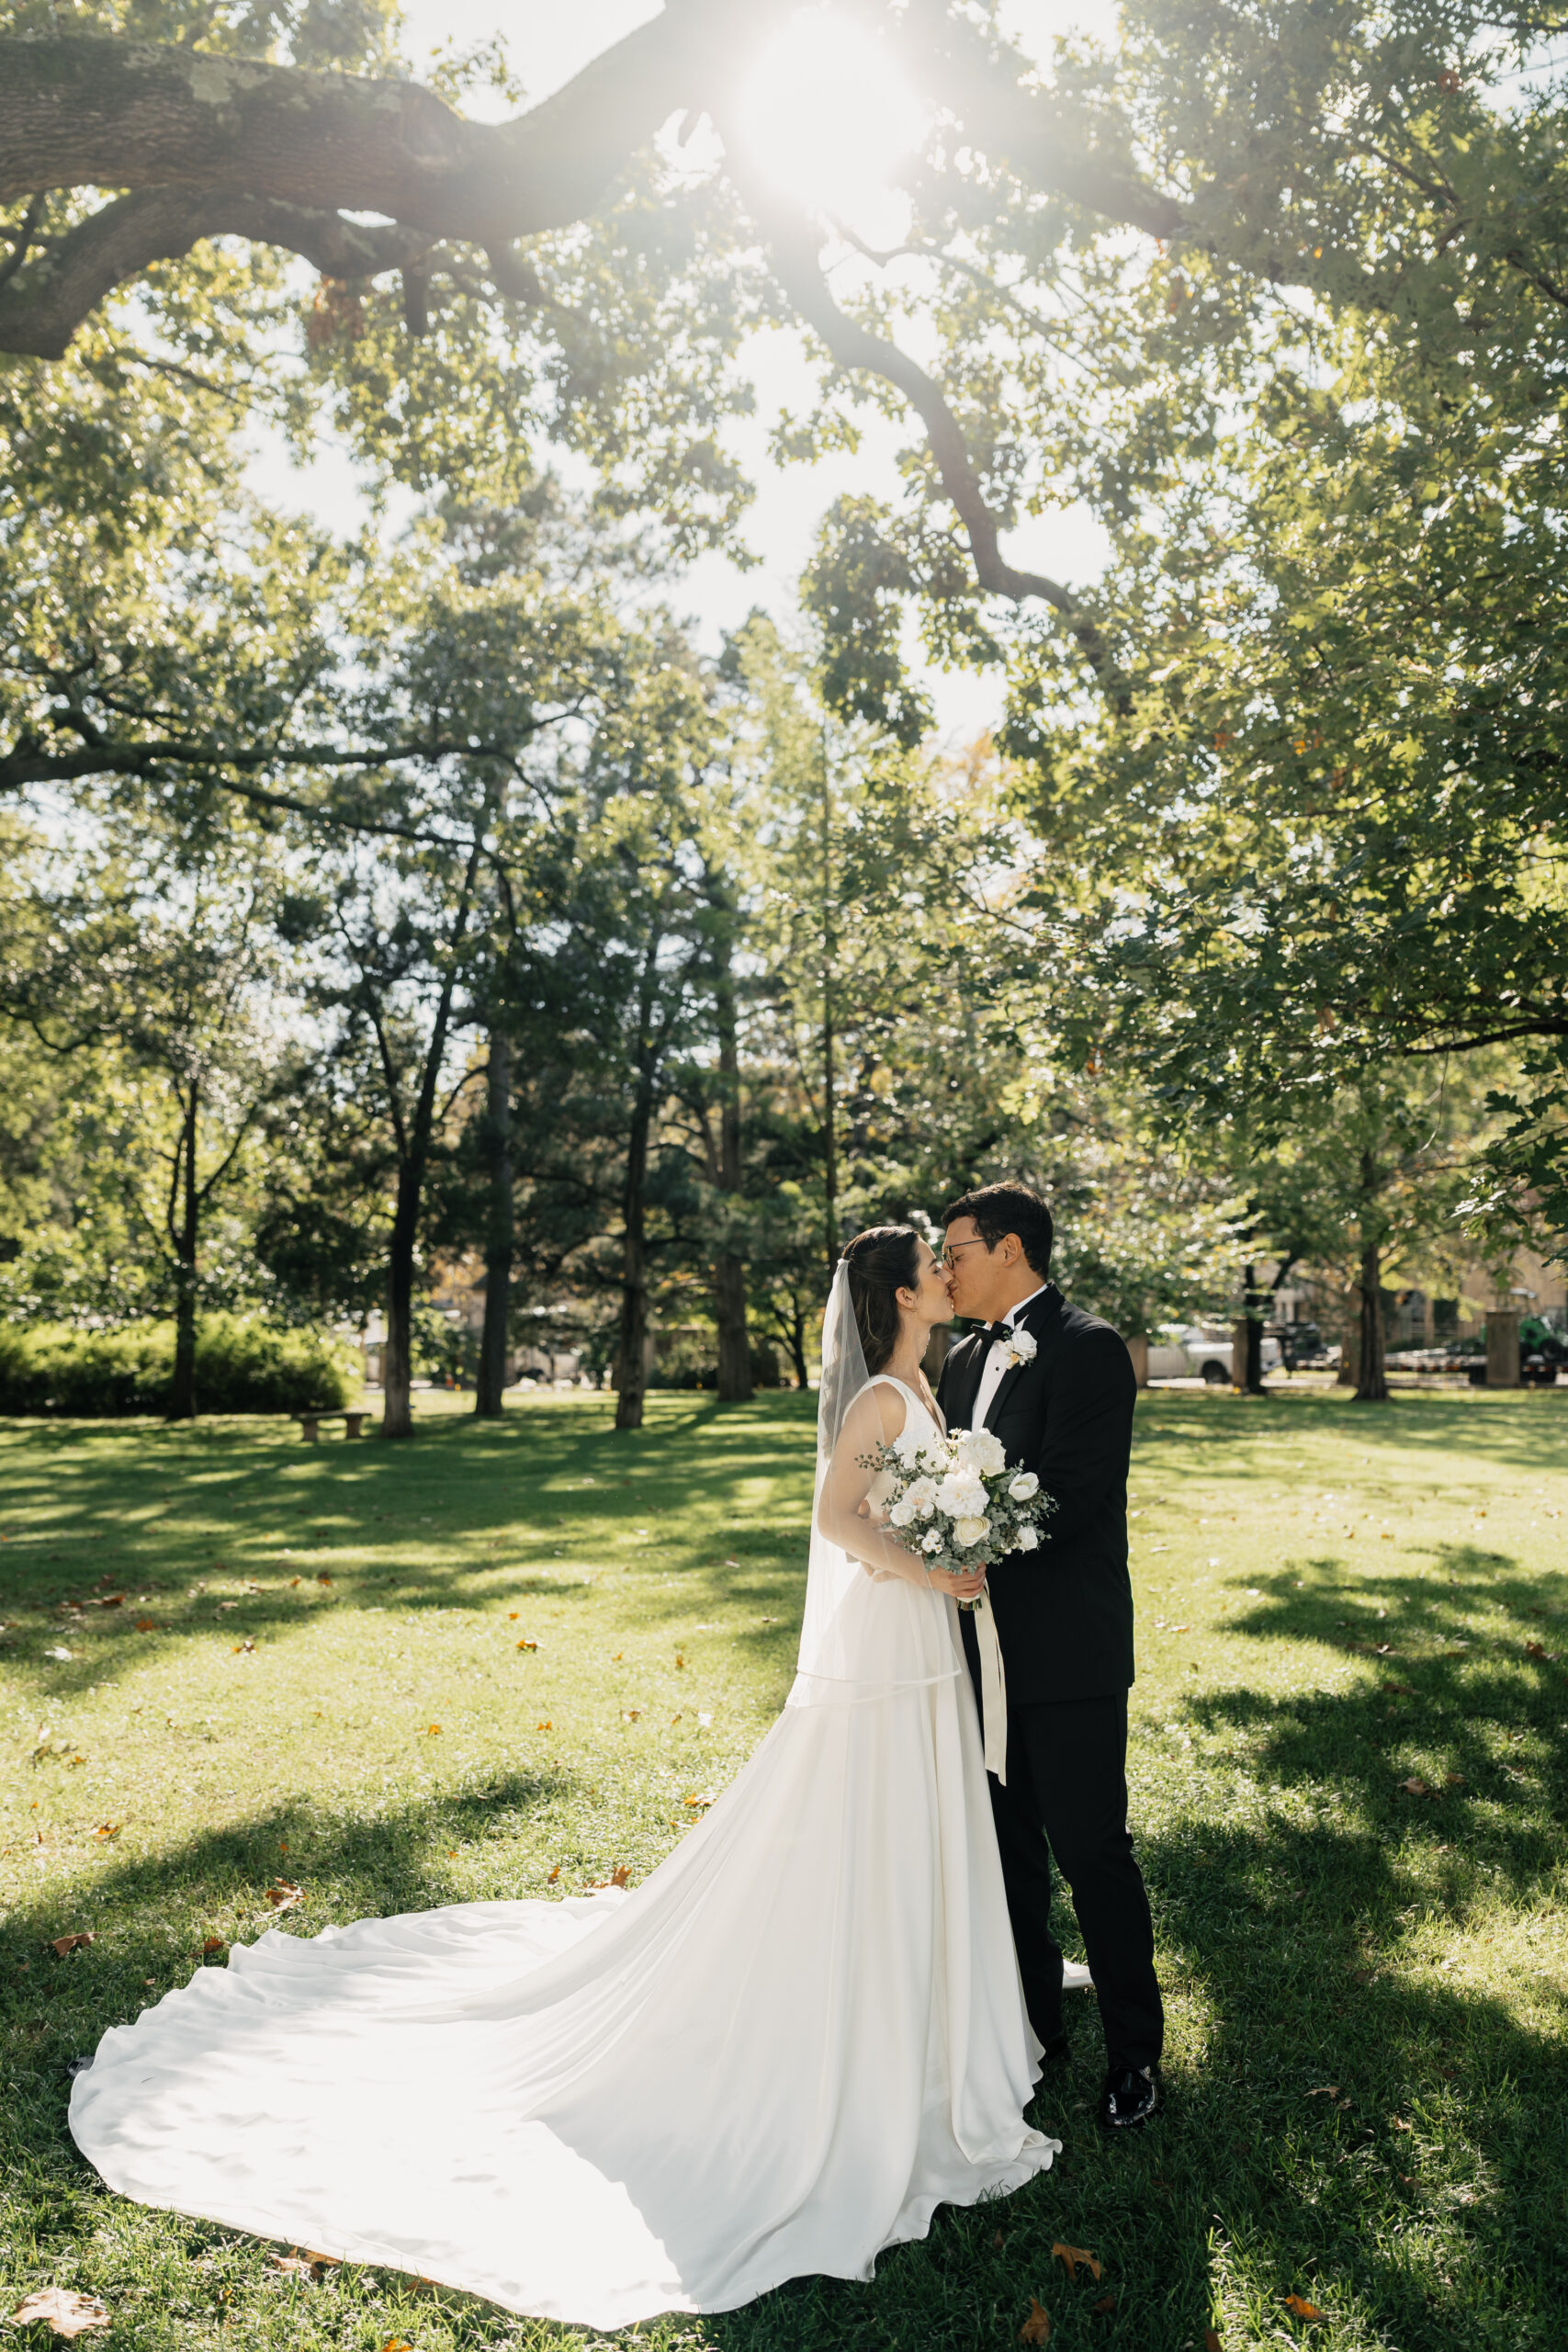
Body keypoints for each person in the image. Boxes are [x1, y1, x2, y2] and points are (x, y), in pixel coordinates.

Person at [69, 1227, 1058, 2329]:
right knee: (860, 1818)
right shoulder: (880, 1395)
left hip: (922, 1644)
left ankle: (926, 2008)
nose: (944, 1270)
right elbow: (838, 1522)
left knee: (912, 1823)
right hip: (889, 1644)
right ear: (898, 1293)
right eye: (931, 1261)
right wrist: (932, 1563)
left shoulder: (927, 1383)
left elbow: (897, 1510)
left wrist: (950, 1552)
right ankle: (855, 2018)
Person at [937, 1182, 1164, 2130]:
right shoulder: (956, 1360)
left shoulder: (1088, 1347)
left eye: (957, 1250)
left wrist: (964, 1535)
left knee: (1090, 1851)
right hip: (972, 1653)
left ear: (1013, 1250)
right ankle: (1034, 2031)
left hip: (1065, 1652)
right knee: (1005, 1855)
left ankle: (1136, 2056)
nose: (945, 1267)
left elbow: (1073, 1494)